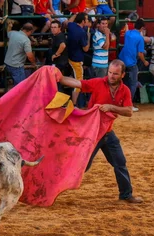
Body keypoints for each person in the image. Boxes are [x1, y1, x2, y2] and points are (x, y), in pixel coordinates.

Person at [57, 59, 143, 204]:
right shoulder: (98, 83)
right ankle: (53, 187)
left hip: (108, 133)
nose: (111, 76)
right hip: (92, 134)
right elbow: (78, 83)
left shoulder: (125, 90)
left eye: (115, 74)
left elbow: (129, 111)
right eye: (110, 72)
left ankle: (126, 194)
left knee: (120, 162)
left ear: (122, 75)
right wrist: (59, 78)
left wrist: (111, 107)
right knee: (82, 166)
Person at [119, 18, 148, 111]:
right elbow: (140, 54)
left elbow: (127, 30)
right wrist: (145, 62)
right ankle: (129, 104)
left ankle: (121, 101)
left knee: (122, 81)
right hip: (131, 62)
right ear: (142, 28)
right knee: (133, 83)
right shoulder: (140, 38)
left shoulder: (128, 33)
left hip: (122, 60)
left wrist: (127, 23)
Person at [66, 12, 90, 104]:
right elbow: (86, 48)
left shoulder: (72, 27)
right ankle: (74, 104)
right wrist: (88, 36)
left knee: (74, 79)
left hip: (70, 56)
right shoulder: (82, 32)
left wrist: (76, 14)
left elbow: (69, 22)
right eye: (86, 19)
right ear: (83, 21)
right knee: (79, 82)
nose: (87, 21)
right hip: (76, 59)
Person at [4, 22, 36, 86]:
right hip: (16, 65)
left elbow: (7, 34)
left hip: (7, 63)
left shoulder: (12, 33)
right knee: (21, 87)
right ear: (30, 31)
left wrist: (9, 26)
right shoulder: (26, 40)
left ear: (22, 28)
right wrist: (34, 63)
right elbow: (29, 56)